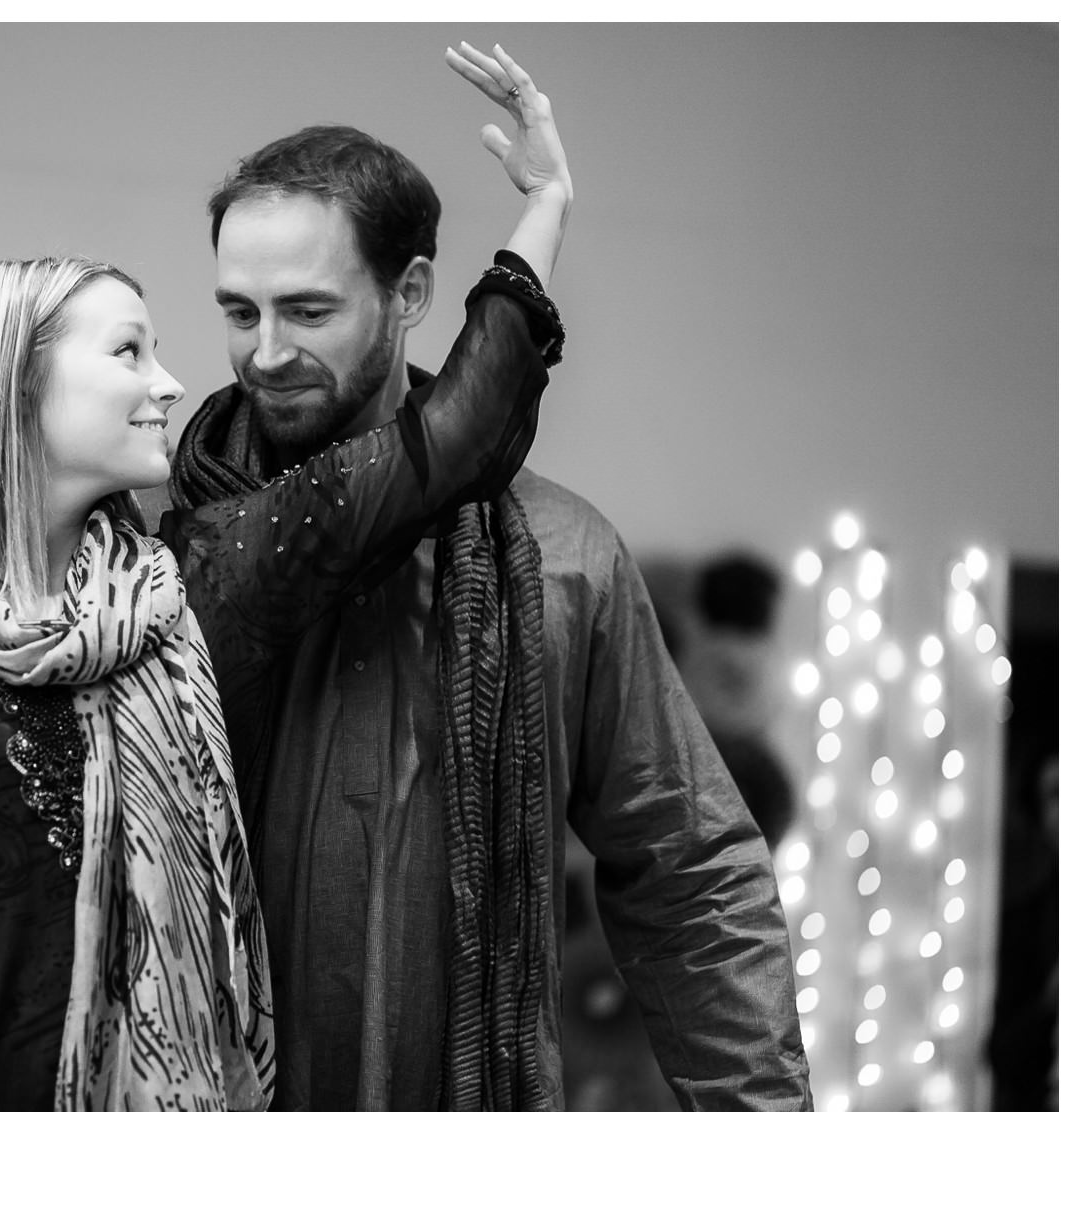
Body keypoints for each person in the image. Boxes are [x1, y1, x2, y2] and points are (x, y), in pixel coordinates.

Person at [0, 41, 570, 1111]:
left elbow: (450, 437)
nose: (177, 380)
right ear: (16, 390)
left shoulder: (201, 586)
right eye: (128, 352)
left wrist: (541, 212)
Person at [167, 41, 813, 1110]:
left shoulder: (563, 558)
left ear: (411, 291)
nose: (264, 352)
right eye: (240, 312)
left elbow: (689, 870)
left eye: (308, 311)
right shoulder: (152, 551)